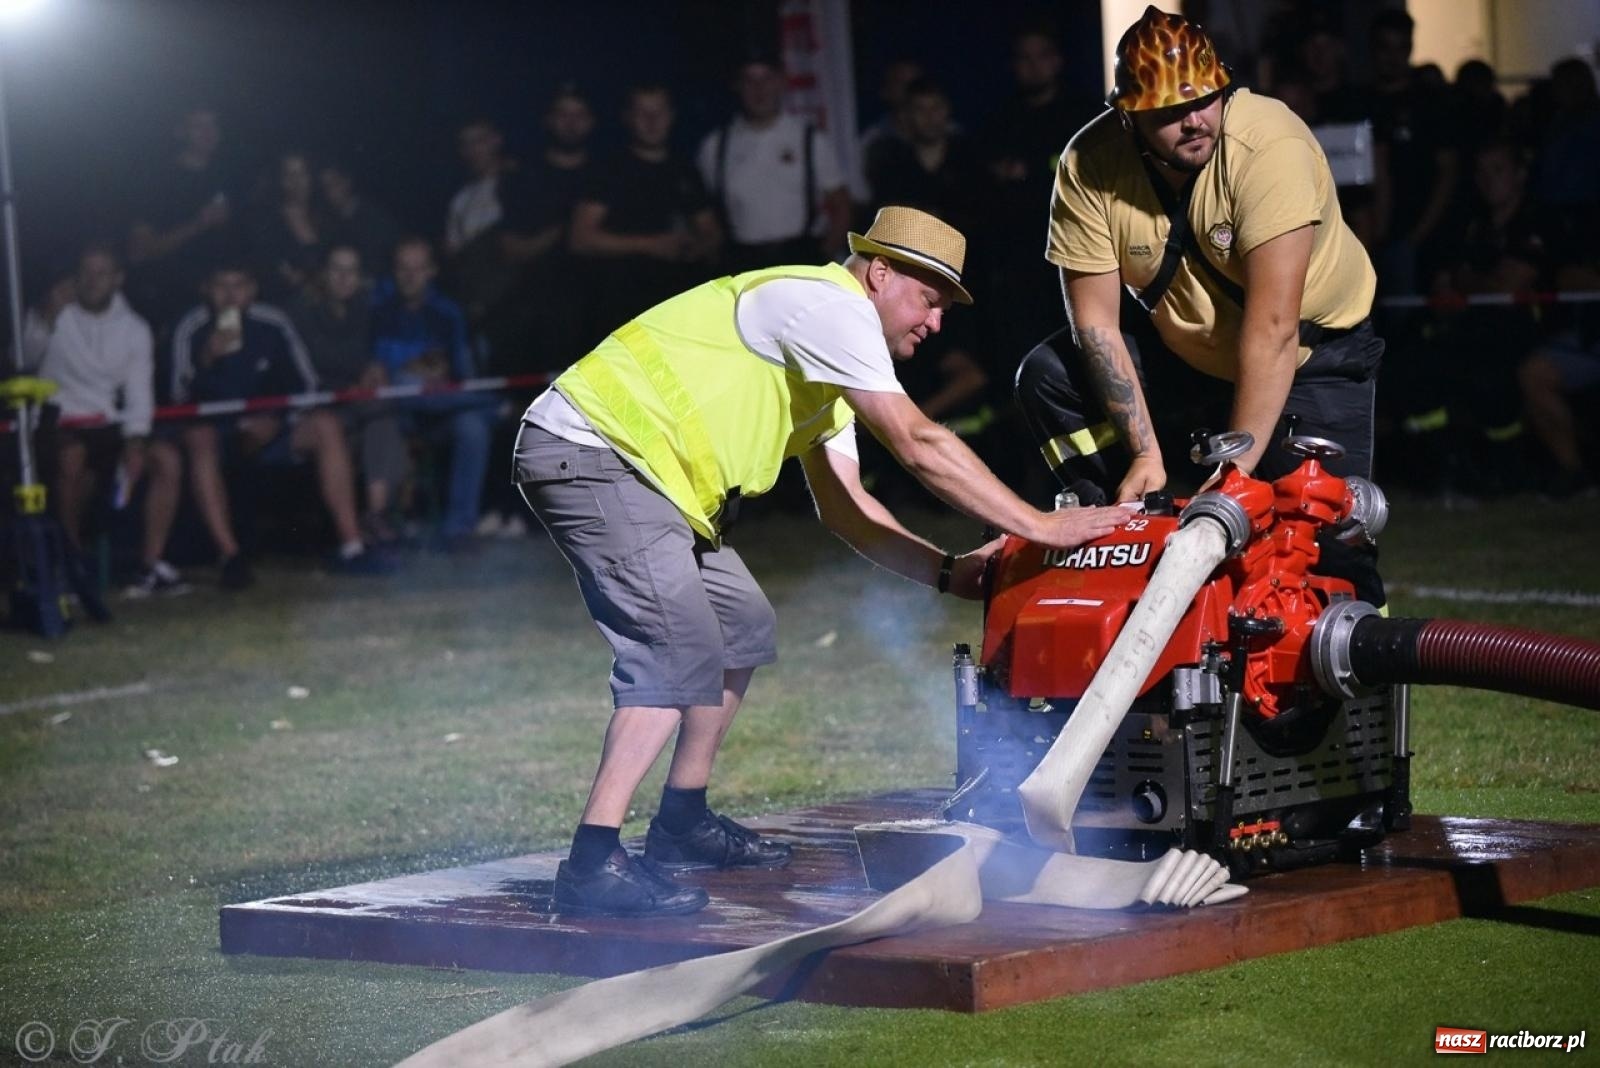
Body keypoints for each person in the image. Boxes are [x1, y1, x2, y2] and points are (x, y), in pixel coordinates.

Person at [514, 206, 1131, 916]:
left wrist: (946, 571)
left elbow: (847, 510)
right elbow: (918, 443)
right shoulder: (825, 307)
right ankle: (592, 865)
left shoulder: (831, 365)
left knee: (739, 623)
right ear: (880, 272)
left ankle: (681, 823)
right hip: (595, 452)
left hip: (651, 479)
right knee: (674, 648)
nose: (935, 325)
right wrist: (1037, 524)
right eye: (929, 300)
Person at [1016, 6, 1385, 606]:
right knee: (1048, 376)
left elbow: (1273, 329)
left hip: (1311, 356)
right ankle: (1131, 541)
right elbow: (1097, 328)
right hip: (1191, 354)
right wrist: (1143, 453)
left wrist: (1235, 476)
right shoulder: (1088, 163)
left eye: (1205, 100)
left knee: (1322, 546)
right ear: (1129, 116)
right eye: (1169, 112)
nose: (1193, 121)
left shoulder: (1270, 143)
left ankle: (1358, 680)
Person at [136, 261, 391, 592]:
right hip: (213, 434)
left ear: (252, 290)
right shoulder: (192, 325)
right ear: (208, 290)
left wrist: (277, 420)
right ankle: (231, 556)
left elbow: (307, 385)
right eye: (221, 286)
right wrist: (207, 358)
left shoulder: (272, 322)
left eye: (239, 285)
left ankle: (353, 546)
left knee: (326, 425)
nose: (230, 295)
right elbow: (176, 397)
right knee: (199, 437)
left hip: (269, 428)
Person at [369, 237, 497, 551]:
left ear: (432, 272)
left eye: (418, 268)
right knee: (404, 383)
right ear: (394, 272)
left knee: (473, 427)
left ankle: (458, 531)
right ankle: (498, 403)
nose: (410, 276)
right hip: (393, 414)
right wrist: (415, 368)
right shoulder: (377, 310)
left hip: (440, 409)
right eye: (403, 269)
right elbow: (377, 370)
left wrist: (439, 374)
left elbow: (459, 371)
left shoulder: (447, 313)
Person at [569, 83, 721, 337]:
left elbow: (711, 231)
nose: (652, 121)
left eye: (659, 112)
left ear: (671, 116)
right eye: (643, 113)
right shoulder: (610, 169)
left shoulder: (683, 168)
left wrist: (695, 246)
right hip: (621, 309)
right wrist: (650, 244)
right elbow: (580, 238)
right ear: (628, 118)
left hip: (674, 306)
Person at [290, 244, 411, 540]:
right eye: (337, 269)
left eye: (352, 271)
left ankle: (375, 514)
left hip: (357, 405)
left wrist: (375, 365)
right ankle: (365, 526)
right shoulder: (301, 311)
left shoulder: (365, 310)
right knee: (378, 411)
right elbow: (311, 364)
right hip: (313, 409)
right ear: (323, 274)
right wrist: (354, 378)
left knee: (383, 416)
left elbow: (374, 353)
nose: (345, 278)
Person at [38, 246, 153, 556]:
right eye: (86, 272)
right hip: (53, 420)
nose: (92, 280)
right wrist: (46, 317)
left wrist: (136, 441)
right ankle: (70, 559)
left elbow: (139, 391)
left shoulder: (135, 328)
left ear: (118, 279)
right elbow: (22, 357)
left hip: (105, 425)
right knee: (72, 457)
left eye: (102, 273)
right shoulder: (54, 311)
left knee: (163, 460)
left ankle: (150, 565)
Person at [696, 51, 850, 272]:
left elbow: (841, 203)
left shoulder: (808, 139)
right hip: (742, 261)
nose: (759, 89)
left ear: (780, 83)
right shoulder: (715, 146)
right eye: (750, 81)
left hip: (800, 256)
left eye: (766, 79)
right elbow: (704, 214)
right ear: (738, 86)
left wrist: (824, 254)